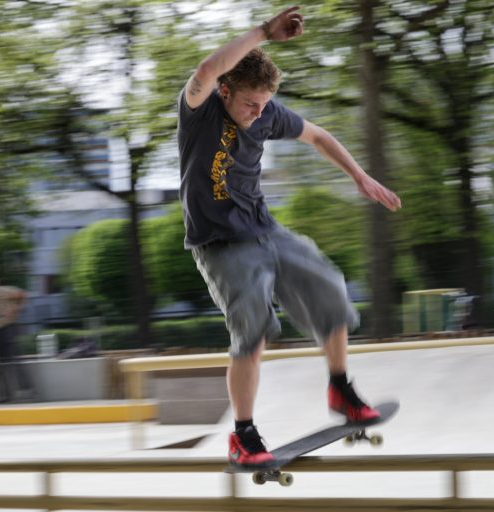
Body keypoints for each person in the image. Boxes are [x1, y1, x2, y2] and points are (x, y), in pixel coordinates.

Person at [177, 6, 401, 467]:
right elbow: (207, 67)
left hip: (265, 231)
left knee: (330, 288)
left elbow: (318, 136)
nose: (258, 114)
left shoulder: (267, 114)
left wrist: (359, 177)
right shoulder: (199, 110)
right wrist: (263, 32)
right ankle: (243, 435)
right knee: (253, 329)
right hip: (220, 245)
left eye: (264, 105)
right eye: (249, 104)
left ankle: (340, 389)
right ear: (225, 91)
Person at [0, 268, 34, 403]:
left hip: (7, 328)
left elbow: (22, 294)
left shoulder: (4, 291)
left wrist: (15, 310)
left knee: (13, 359)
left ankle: (26, 390)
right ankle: (3, 395)